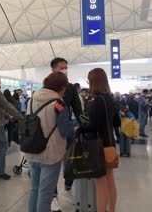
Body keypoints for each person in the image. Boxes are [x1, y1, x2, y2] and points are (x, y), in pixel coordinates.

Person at [25, 72, 74, 212]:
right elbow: (65, 130)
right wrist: (74, 129)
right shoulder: (58, 103)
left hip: (31, 150)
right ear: (62, 87)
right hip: (50, 154)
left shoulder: (31, 99)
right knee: (45, 194)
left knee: (34, 189)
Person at [76, 68, 118, 212]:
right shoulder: (110, 97)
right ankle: (111, 209)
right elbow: (117, 121)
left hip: (98, 145)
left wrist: (80, 128)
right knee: (110, 180)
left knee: (100, 183)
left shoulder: (98, 100)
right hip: (110, 144)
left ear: (94, 82)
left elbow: (92, 125)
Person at [49, 57, 83, 211]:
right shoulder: (47, 86)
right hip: (50, 132)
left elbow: (77, 109)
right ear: (54, 69)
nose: (65, 70)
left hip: (66, 128)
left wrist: (83, 126)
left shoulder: (69, 88)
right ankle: (53, 194)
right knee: (53, 164)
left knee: (70, 159)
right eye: (62, 67)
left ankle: (68, 184)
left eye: (66, 67)